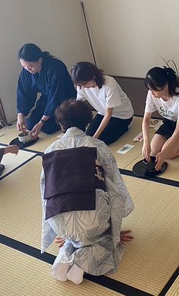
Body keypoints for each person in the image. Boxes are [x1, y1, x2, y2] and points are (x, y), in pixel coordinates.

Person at [40, 99, 134, 284]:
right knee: (105, 240)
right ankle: (81, 265)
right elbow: (115, 187)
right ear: (87, 122)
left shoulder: (50, 150)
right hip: (92, 220)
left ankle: (64, 256)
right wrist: (114, 231)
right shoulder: (98, 146)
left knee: (74, 238)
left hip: (59, 219)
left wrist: (60, 226)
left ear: (61, 124)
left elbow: (45, 191)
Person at [142, 66, 179, 171]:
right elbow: (146, 120)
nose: (152, 93)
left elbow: (178, 129)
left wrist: (164, 151)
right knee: (153, 152)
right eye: (150, 90)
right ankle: (171, 144)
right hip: (169, 121)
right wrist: (146, 142)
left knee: (167, 154)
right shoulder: (152, 93)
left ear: (165, 86)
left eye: (155, 90)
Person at [16, 43, 76, 139]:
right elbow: (24, 92)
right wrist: (20, 115)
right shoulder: (26, 71)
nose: (27, 69)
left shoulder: (55, 67)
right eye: (24, 66)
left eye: (30, 65)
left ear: (39, 60)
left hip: (64, 100)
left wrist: (42, 122)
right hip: (47, 99)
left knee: (48, 128)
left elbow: (56, 96)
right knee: (30, 124)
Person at [70, 61, 134, 145]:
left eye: (85, 83)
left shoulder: (109, 84)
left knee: (102, 140)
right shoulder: (81, 86)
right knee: (88, 135)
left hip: (122, 115)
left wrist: (95, 138)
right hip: (102, 113)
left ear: (93, 76)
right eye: (80, 84)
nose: (83, 87)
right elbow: (78, 103)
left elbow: (108, 114)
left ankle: (126, 126)